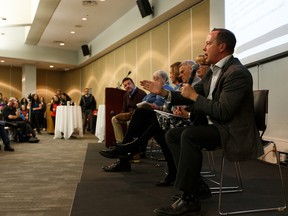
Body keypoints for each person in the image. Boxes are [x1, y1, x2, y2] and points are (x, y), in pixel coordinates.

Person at [140, 28, 263, 216]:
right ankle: (197, 186)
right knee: (172, 134)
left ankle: (189, 197)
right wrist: (163, 93)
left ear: (221, 47)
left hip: (232, 131)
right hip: (218, 126)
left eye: (208, 43)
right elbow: (186, 95)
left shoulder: (237, 73)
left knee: (190, 135)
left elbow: (223, 111)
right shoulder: (212, 72)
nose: (204, 48)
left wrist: (195, 97)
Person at [110, 77, 146, 144]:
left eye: (129, 84)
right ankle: (120, 142)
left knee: (130, 122)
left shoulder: (141, 93)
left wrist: (129, 115)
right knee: (114, 119)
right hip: (128, 116)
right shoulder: (126, 95)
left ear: (133, 84)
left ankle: (130, 144)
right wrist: (120, 116)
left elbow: (142, 110)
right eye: (125, 85)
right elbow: (124, 109)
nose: (127, 86)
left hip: (138, 118)